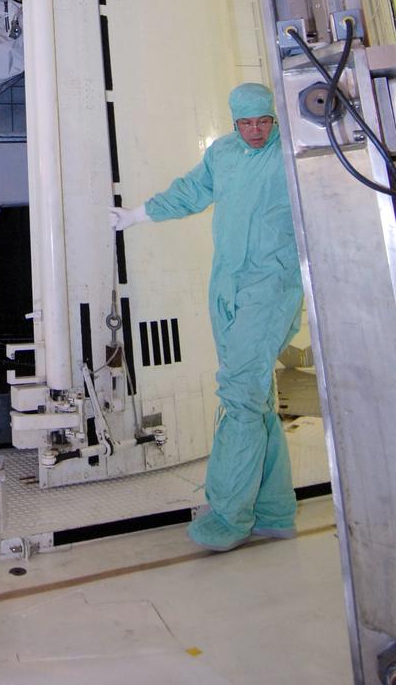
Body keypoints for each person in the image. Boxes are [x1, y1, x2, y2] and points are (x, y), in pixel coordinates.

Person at [111, 82, 303, 553]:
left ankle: (229, 514)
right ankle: (274, 510)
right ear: (233, 122)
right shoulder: (223, 154)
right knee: (256, 399)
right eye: (246, 123)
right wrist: (135, 216)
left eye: (263, 122)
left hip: (272, 288)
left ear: (275, 119)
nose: (255, 131)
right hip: (228, 288)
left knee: (239, 395)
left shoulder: (294, 155)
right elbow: (191, 193)